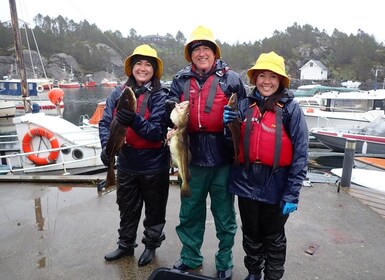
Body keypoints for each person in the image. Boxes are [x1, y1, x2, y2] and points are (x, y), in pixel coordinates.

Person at [166, 25, 247, 280]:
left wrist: (237, 116)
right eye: (196, 49)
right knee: (190, 212)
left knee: (224, 215)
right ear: (190, 54)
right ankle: (190, 257)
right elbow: (168, 109)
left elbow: (246, 112)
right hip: (191, 155)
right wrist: (169, 127)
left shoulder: (231, 79)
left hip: (223, 156)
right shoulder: (180, 79)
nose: (201, 53)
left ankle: (224, 260)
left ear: (214, 52)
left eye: (206, 48)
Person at [224, 51, 309, 280]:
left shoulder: (291, 110)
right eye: (262, 75)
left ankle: (272, 276)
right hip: (246, 180)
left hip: (277, 183)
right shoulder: (243, 105)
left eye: (273, 76)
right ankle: (253, 272)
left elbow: (301, 154)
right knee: (250, 232)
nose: (267, 81)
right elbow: (230, 144)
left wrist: (292, 193)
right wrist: (227, 126)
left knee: (273, 236)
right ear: (255, 79)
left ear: (281, 80)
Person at [99, 44, 170, 267]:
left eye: (148, 64)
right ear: (131, 67)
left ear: (154, 69)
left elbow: (158, 132)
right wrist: (106, 147)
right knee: (127, 207)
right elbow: (104, 123)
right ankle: (125, 245)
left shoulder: (161, 96)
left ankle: (151, 245)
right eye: (138, 63)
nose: (143, 68)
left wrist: (133, 120)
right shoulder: (117, 93)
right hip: (127, 163)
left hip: (154, 165)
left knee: (155, 209)